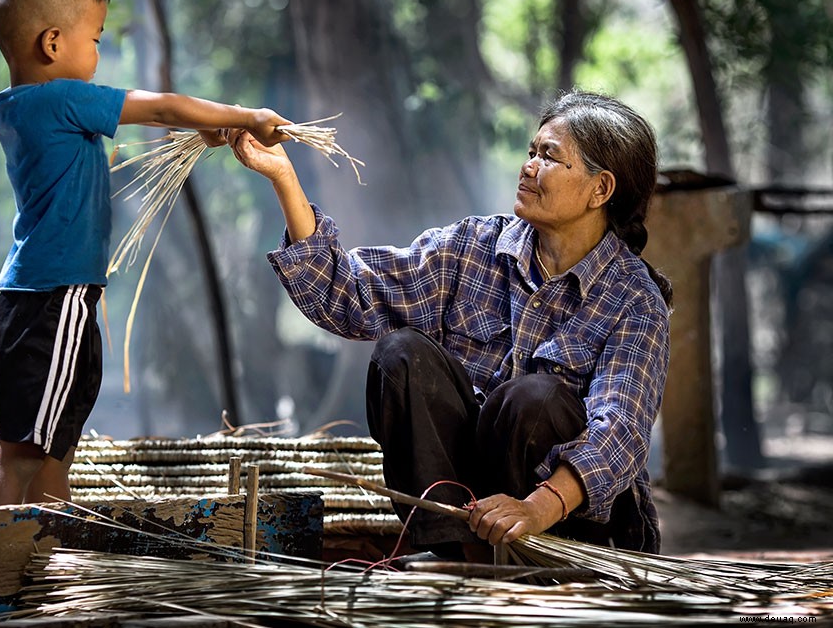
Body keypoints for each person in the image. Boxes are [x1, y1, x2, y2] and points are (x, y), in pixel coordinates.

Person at [227, 90, 672, 555]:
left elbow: (618, 431)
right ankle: (457, 556)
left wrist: (536, 509)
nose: (528, 166)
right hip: (468, 517)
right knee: (402, 355)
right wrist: (283, 176)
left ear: (601, 190)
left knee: (533, 399)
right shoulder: (473, 246)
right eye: (531, 152)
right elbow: (349, 293)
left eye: (549, 157)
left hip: (571, 533)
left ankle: (517, 559)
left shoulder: (634, 299)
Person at [0, 0, 290, 507]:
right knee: (23, 454)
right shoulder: (61, 98)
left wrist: (209, 129)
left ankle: (42, 569)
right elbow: (163, 108)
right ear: (52, 44)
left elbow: (159, 120)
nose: (99, 53)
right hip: (55, 296)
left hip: (49, 295)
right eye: (94, 38)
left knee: (51, 451)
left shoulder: (25, 106)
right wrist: (242, 116)